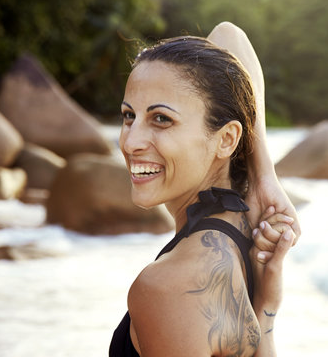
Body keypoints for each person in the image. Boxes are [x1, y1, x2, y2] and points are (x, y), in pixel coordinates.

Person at [109, 22, 299, 356]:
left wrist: (263, 178)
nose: (130, 141)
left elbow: (230, 38)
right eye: (129, 115)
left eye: (161, 119)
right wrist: (263, 176)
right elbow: (229, 37)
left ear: (227, 138)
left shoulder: (168, 287)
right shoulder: (245, 228)